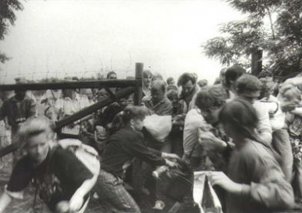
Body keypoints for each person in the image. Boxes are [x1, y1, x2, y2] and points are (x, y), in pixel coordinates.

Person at [210, 99, 294, 213]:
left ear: (229, 126)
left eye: (223, 124)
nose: (222, 129)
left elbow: (284, 195)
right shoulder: (241, 145)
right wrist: (224, 149)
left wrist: (237, 188)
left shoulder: (254, 152)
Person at [0, 117, 97, 213]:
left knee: (62, 208)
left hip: (74, 196)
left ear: (48, 140)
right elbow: (10, 193)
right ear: (25, 146)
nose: (39, 151)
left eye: (42, 144)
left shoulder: (61, 156)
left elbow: (89, 178)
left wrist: (79, 195)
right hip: (51, 197)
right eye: (33, 146)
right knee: (56, 206)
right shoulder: (25, 163)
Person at [95, 106, 179, 213]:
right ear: (132, 122)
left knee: (113, 210)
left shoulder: (124, 133)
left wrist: (165, 155)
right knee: (133, 211)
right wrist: (167, 162)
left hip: (101, 176)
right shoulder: (133, 136)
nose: (144, 123)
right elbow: (146, 155)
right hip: (109, 179)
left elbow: (143, 150)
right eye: (142, 120)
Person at [182, 86, 228, 171]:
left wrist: (223, 147)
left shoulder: (232, 126)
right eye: (201, 110)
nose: (204, 114)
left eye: (208, 110)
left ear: (221, 106)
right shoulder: (206, 125)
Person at [236, 74, 273, 145]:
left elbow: (266, 131)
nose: (253, 101)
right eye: (248, 98)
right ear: (238, 92)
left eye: (256, 97)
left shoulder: (259, 106)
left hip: (254, 145)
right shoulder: (228, 107)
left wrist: (258, 139)